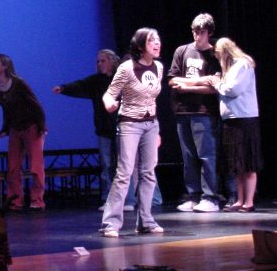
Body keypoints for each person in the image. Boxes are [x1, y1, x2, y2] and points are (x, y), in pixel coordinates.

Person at [100, 27, 164, 238]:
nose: (157, 44)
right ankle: (110, 223)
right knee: (124, 172)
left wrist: (158, 130)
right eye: (151, 41)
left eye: (158, 40)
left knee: (148, 173)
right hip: (129, 124)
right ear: (139, 46)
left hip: (150, 125)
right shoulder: (127, 68)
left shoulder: (159, 67)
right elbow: (109, 94)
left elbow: (152, 99)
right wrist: (110, 104)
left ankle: (145, 220)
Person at [52, 49, 135, 211]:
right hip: (103, 129)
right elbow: (80, 85)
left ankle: (128, 200)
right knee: (106, 166)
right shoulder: (96, 81)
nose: (99, 64)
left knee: (124, 165)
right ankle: (108, 200)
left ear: (112, 61)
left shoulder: (122, 78)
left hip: (123, 127)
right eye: (98, 61)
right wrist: (63, 88)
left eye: (103, 60)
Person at [167, 13, 220, 212]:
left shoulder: (214, 54)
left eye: (202, 32)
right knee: (188, 156)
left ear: (209, 33)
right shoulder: (182, 51)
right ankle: (194, 195)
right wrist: (200, 81)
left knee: (206, 155)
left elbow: (214, 86)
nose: (197, 36)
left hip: (204, 111)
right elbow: (172, 80)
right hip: (182, 111)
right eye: (195, 32)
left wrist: (187, 85)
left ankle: (211, 197)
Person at [206, 37, 263, 212]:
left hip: (244, 119)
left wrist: (217, 84)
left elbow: (233, 90)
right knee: (236, 163)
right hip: (231, 119)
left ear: (224, 51)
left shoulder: (242, 65)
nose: (216, 57)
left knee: (248, 161)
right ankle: (239, 200)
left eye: (217, 53)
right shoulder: (230, 68)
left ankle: (249, 202)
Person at [0, 54, 47, 211]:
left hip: (31, 126)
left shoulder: (18, 83)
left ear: (4, 66)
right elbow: (7, 110)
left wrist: (41, 126)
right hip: (15, 128)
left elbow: (36, 105)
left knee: (36, 164)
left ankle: (37, 200)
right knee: (13, 166)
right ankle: (16, 201)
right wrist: (5, 128)